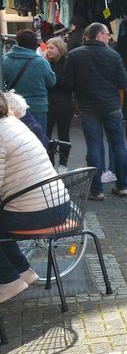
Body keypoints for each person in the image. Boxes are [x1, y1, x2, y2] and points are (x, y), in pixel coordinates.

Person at [0, 94, 63, 302]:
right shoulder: (12, 123)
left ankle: (9, 281)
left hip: (38, 212)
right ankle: (23, 271)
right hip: (57, 204)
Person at [63, 22, 127, 200]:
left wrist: (82, 87)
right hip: (112, 106)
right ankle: (122, 186)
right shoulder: (114, 56)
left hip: (88, 107)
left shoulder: (75, 55)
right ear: (99, 35)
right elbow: (123, 83)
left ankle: (96, 190)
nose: (109, 37)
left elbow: (68, 83)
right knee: (118, 146)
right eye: (107, 34)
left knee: (95, 147)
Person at [2, 29, 55, 141]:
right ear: (34, 44)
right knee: (38, 140)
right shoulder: (41, 62)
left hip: (14, 107)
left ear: (17, 42)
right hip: (38, 107)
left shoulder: (5, 60)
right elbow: (52, 81)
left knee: (16, 141)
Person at [43, 37, 74, 171]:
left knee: (64, 135)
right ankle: (50, 163)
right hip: (48, 105)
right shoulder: (45, 63)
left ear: (59, 49)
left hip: (64, 105)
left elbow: (70, 84)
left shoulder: (68, 63)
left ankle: (63, 164)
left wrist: (53, 81)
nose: (48, 50)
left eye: (51, 48)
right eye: (47, 48)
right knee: (46, 135)